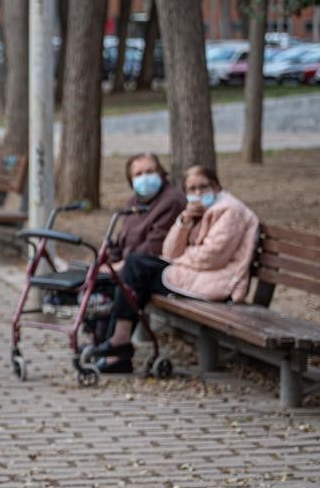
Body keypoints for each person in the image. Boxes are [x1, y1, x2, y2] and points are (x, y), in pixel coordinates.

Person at [90, 165, 260, 374]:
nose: (198, 193)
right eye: (192, 189)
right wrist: (185, 220)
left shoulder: (230, 210)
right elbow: (170, 251)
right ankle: (115, 343)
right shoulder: (198, 210)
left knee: (135, 271)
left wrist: (181, 258)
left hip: (217, 281)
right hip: (195, 273)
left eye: (203, 187)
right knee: (134, 266)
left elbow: (212, 257)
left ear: (215, 185)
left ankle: (117, 345)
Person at [103, 153, 185, 271]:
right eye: (138, 174)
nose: (144, 177)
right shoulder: (134, 201)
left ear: (161, 173)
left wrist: (121, 266)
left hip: (153, 268)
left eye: (150, 172)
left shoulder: (172, 201)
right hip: (128, 265)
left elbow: (155, 245)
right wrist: (108, 262)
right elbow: (122, 239)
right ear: (131, 180)